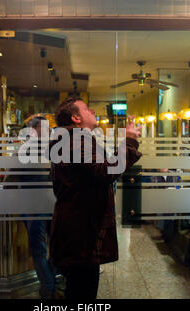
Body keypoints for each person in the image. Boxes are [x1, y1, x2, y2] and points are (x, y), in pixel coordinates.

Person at [49, 97, 142, 299]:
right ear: (75, 118)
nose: (92, 110)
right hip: (81, 233)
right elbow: (105, 171)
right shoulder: (75, 140)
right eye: (86, 109)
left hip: (79, 230)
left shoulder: (74, 139)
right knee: (83, 292)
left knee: (79, 289)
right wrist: (129, 142)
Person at [6, 116, 60, 299]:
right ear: (33, 130)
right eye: (45, 128)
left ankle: (48, 287)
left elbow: (9, 181)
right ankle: (50, 286)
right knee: (52, 248)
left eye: (49, 128)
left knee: (41, 249)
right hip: (50, 204)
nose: (49, 132)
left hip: (36, 205)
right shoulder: (53, 150)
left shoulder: (26, 149)